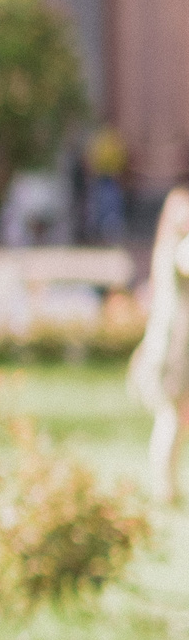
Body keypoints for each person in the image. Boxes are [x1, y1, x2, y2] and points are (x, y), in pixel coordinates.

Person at [128, 186, 189, 502]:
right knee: (171, 417)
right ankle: (164, 488)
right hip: (174, 348)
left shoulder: (167, 247)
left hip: (172, 344)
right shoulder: (179, 248)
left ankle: (168, 487)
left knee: (176, 418)